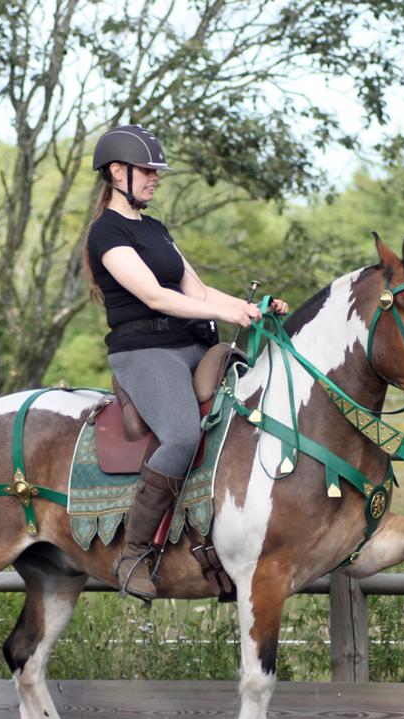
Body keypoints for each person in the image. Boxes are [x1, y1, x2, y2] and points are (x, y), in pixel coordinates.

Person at [84, 124, 286, 600]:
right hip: (145, 353)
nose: (155, 179)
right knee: (181, 434)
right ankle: (133, 553)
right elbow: (156, 296)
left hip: (194, 344)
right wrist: (226, 311)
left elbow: (197, 292)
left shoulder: (154, 229)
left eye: (157, 172)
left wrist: (251, 308)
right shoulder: (105, 234)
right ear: (117, 173)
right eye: (147, 171)